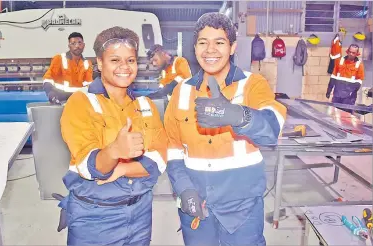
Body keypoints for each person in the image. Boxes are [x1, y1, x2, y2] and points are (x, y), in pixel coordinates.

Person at [164, 13, 287, 246]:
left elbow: (273, 128)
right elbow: (173, 147)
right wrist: (183, 189)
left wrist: (238, 116)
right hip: (196, 204)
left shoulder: (252, 84)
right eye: (203, 42)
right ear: (195, 47)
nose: (210, 50)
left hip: (241, 209)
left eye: (219, 42)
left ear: (232, 47)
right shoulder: (182, 91)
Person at [57, 26, 168, 246]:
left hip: (140, 215)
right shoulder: (81, 103)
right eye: (115, 60)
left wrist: (123, 168)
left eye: (131, 60)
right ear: (100, 63)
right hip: (95, 218)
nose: (124, 67)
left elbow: (159, 160)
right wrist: (115, 151)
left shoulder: (145, 106)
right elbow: (89, 167)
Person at [43, 32, 93, 104]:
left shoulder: (87, 63)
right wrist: (51, 94)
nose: (77, 46)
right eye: (73, 43)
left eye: (79, 43)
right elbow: (48, 79)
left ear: (84, 45)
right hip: (60, 100)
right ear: (69, 46)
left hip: (79, 101)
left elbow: (89, 85)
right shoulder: (59, 59)